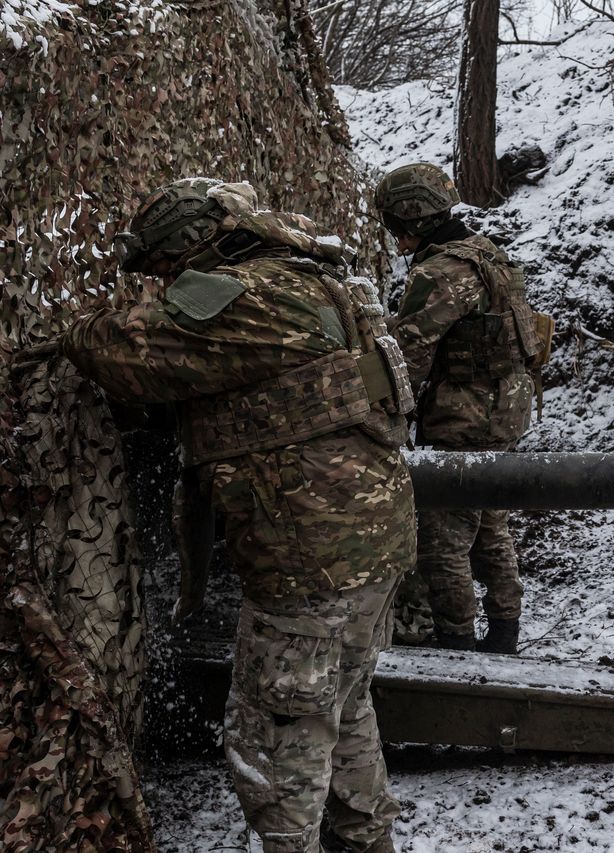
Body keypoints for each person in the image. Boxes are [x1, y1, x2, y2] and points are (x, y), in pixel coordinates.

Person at [57, 178, 415, 853]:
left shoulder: (245, 298)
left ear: (191, 249)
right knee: (343, 710)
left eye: (166, 271)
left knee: (277, 744)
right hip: (373, 544)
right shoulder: (319, 277)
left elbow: (117, 347)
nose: (166, 286)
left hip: (309, 561)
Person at [375, 162, 540, 654]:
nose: (395, 237)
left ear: (412, 217)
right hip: (505, 409)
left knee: (442, 539)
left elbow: (408, 356)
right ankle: (505, 630)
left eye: (394, 225)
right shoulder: (486, 252)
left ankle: (456, 643)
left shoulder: (439, 271)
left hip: (465, 417)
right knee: (490, 521)